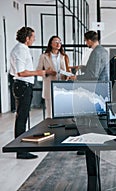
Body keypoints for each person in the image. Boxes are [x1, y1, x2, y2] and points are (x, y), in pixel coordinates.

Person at [10, 26, 54, 159]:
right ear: (27, 38)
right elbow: (21, 72)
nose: (34, 39)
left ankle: (21, 149)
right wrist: (40, 72)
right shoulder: (21, 50)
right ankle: (21, 150)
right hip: (23, 85)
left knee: (22, 117)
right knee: (22, 118)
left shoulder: (20, 48)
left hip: (22, 85)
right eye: (33, 37)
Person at [37, 35, 71, 119]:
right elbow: (38, 71)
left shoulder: (64, 56)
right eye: (56, 42)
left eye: (60, 42)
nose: (58, 44)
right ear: (51, 44)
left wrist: (67, 75)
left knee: (62, 112)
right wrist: (47, 72)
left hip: (62, 86)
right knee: (50, 113)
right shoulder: (44, 56)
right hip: (49, 86)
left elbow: (68, 71)